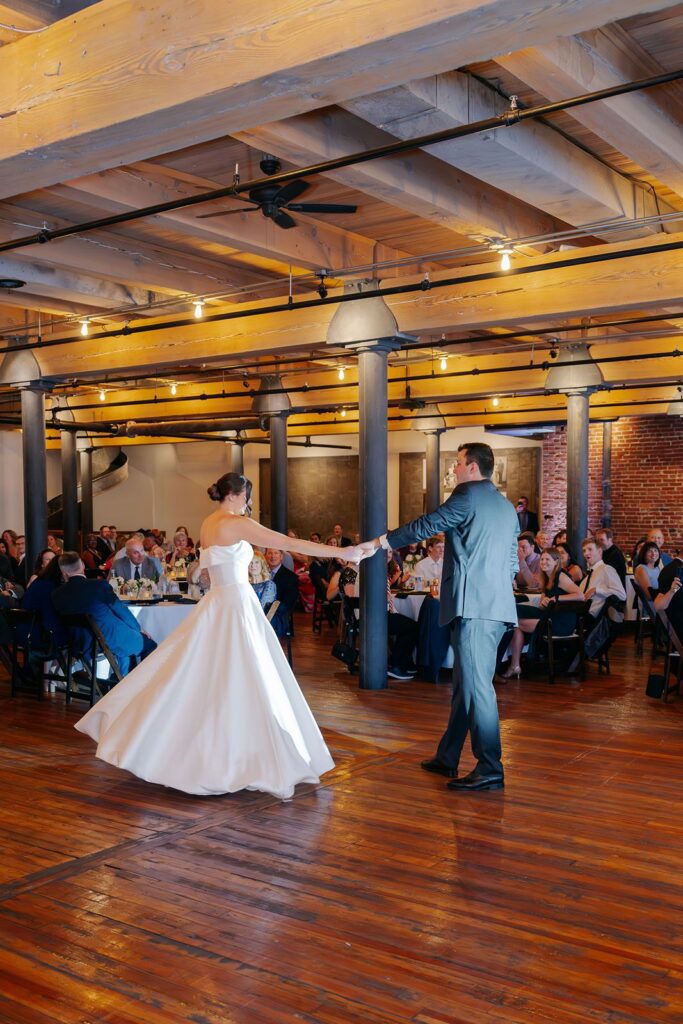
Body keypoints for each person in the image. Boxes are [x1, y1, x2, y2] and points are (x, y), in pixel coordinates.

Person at [74, 472, 362, 799]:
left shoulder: (208, 523)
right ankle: (239, 758)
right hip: (236, 604)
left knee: (205, 677)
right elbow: (288, 543)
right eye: (248, 497)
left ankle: (199, 752)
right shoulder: (235, 522)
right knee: (246, 678)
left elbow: (209, 574)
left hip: (218, 602)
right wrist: (347, 554)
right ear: (237, 495)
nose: (249, 504)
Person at [363, 442, 519, 792]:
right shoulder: (507, 507)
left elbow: (428, 524)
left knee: (478, 690)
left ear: (474, 468)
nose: (454, 469)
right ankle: (448, 756)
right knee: (465, 688)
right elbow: (512, 563)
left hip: (475, 607)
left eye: (458, 463)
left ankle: (491, 767)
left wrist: (382, 543)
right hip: (494, 607)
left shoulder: (467, 496)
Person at [52, 552, 157, 674]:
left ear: (63, 572)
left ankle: (122, 681)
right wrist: (138, 628)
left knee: (127, 646)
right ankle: (139, 684)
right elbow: (121, 610)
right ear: (82, 566)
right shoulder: (98, 585)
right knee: (149, 645)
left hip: (79, 643)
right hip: (107, 639)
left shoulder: (56, 594)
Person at [498, 547, 583, 679]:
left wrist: (556, 599)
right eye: (542, 559)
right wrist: (544, 600)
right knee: (515, 612)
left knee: (516, 623)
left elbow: (580, 595)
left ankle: (513, 665)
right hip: (550, 616)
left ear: (556, 561)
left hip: (561, 623)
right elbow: (545, 598)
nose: (543, 562)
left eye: (548, 559)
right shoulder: (546, 577)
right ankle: (515, 665)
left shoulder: (561, 576)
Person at [578, 538, 626, 618]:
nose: (586, 553)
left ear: (599, 551)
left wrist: (596, 590)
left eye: (590, 549)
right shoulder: (588, 575)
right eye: (584, 551)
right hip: (581, 612)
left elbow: (622, 595)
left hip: (591, 617)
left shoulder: (606, 569)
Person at [265, 547, 300, 637]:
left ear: (281, 557)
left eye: (276, 553)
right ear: (265, 556)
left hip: (277, 614)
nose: (272, 556)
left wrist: (268, 612)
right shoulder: (260, 574)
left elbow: (288, 604)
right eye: (269, 553)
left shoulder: (291, 577)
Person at [654, 558, 683, 639]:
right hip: (676, 623)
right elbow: (658, 606)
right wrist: (672, 591)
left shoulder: (672, 568)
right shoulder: (675, 571)